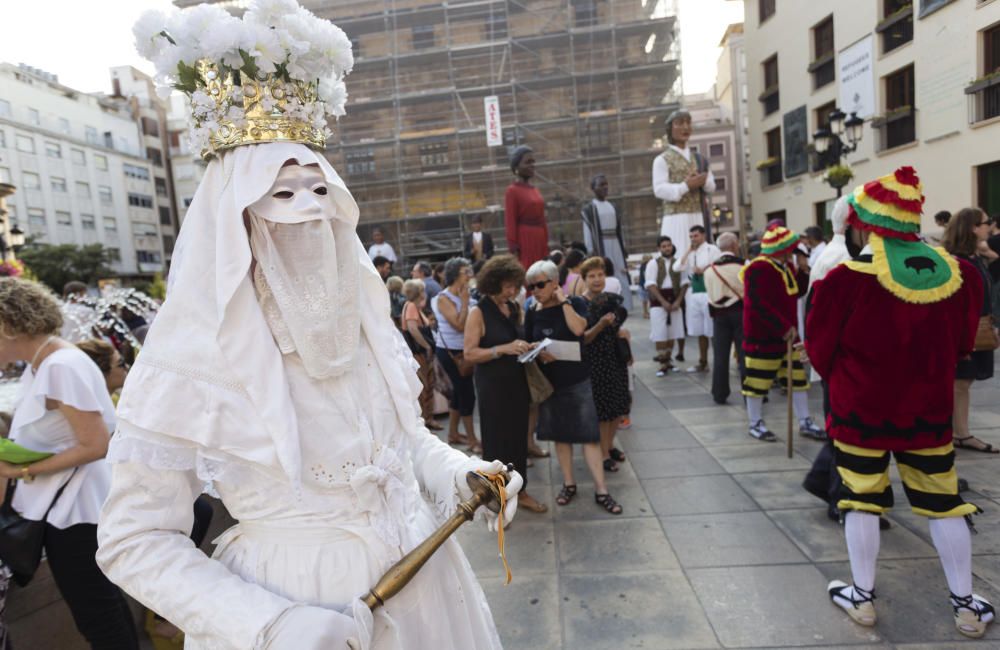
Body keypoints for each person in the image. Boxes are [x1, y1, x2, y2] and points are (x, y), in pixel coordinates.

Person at [98, 7, 521, 646]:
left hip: (427, 594)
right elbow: (134, 539)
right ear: (235, 217)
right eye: (283, 194)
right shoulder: (189, 354)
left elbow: (399, 448)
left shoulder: (362, 325)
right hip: (294, 606)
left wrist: (455, 475)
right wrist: (268, 625)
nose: (308, 212)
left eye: (319, 191)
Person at [807, 166, 994, 638]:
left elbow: (820, 348)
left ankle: (863, 598)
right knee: (943, 503)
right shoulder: (962, 275)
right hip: (927, 412)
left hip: (859, 410)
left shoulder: (842, 279)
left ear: (866, 223)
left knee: (860, 500)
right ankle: (965, 605)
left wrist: (849, 380)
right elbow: (961, 345)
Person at [0, 277, 139, 649]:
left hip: (77, 513)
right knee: (102, 607)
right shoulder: (44, 363)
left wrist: (21, 470)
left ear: (7, 325)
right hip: (73, 508)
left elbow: (96, 444)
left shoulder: (61, 365)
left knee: (97, 614)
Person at [524, 260, 622, 515]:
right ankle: (569, 483)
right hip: (550, 383)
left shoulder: (576, 303)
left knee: (589, 436)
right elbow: (527, 342)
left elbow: (580, 329)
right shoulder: (533, 310)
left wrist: (563, 301)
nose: (535, 290)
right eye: (532, 285)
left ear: (555, 283)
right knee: (561, 436)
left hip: (577, 380)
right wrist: (537, 351)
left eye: (541, 284)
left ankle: (601, 489)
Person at [465, 255, 547, 513]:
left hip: (516, 383)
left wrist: (528, 347)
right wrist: (503, 349)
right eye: (508, 286)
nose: (513, 291)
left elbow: (515, 341)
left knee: (517, 440)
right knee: (496, 443)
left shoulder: (513, 308)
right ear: (493, 282)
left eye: (515, 285)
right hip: (492, 387)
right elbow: (470, 353)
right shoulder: (478, 312)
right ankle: (496, 498)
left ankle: (519, 491)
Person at [740, 225, 825, 442]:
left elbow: (797, 292)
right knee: (758, 382)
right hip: (764, 337)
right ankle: (755, 422)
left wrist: (804, 271)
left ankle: (805, 420)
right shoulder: (757, 268)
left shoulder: (787, 267)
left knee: (797, 380)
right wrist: (782, 327)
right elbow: (757, 304)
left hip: (788, 336)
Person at [943, 207, 997, 454]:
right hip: (964, 330)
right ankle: (960, 433)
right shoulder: (957, 261)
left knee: (965, 381)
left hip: (979, 326)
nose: (990, 226)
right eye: (986, 223)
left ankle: (960, 431)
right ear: (973, 228)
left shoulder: (976, 257)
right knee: (960, 382)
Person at [580, 257, 630, 474]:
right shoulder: (579, 304)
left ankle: (609, 445)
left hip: (615, 358)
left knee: (617, 408)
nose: (597, 279)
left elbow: (619, 328)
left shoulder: (610, 299)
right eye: (592, 276)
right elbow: (583, 338)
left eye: (600, 275)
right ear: (584, 279)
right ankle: (602, 453)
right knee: (602, 411)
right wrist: (600, 325)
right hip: (595, 362)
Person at [432, 257, 481, 453]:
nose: (469, 275)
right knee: (467, 394)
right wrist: (465, 301)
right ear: (454, 275)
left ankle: (453, 433)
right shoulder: (443, 298)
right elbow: (460, 325)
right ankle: (472, 440)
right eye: (465, 272)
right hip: (451, 352)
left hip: (465, 349)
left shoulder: (467, 294)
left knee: (459, 393)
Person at [652, 109, 715, 260]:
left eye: (688, 123)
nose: (685, 127)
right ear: (670, 129)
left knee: (701, 257)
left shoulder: (700, 159)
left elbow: (711, 187)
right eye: (680, 123)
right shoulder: (662, 159)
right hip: (675, 218)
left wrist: (702, 181)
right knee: (678, 256)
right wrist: (685, 186)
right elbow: (659, 189)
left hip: (699, 216)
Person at [703, 232, 744, 404]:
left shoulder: (710, 269)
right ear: (734, 246)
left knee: (720, 356)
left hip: (719, 316)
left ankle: (719, 393)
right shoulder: (743, 266)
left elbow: (710, 294)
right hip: (741, 314)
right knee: (744, 354)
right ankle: (751, 392)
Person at [673, 225, 721, 373]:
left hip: (709, 293)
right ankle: (702, 362)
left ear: (703, 235)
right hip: (694, 294)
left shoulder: (712, 249)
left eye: (696, 236)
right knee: (700, 330)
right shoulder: (690, 252)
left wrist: (704, 269)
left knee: (712, 330)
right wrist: (688, 251)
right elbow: (677, 268)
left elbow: (719, 265)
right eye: (691, 237)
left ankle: (720, 362)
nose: (693, 239)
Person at [582, 174, 632, 310]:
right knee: (605, 274)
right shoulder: (589, 209)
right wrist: (591, 251)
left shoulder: (613, 206)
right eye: (601, 185)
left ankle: (624, 305)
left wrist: (623, 247)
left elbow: (619, 229)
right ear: (593, 188)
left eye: (606, 184)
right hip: (601, 246)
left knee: (620, 273)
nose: (605, 187)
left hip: (616, 245)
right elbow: (588, 232)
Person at [645, 236, 689, 376]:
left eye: (669, 245)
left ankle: (669, 361)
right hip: (658, 301)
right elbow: (650, 284)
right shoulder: (653, 263)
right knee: (660, 333)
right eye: (664, 246)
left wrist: (678, 301)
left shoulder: (679, 263)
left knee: (673, 333)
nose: (667, 248)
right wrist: (662, 301)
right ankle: (662, 363)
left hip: (675, 300)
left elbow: (684, 283)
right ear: (659, 248)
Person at [402, 279, 441, 432]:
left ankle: (428, 417)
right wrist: (426, 345)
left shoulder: (413, 306)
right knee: (424, 385)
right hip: (419, 353)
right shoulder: (411, 306)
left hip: (421, 352)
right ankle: (426, 419)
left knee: (426, 385)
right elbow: (412, 328)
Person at [504, 146, 549, 269]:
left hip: (539, 239)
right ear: (516, 167)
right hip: (525, 241)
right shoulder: (512, 191)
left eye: (533, 161)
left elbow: (542, 219)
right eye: (528, 162)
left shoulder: (535, 190)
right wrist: (514, 249)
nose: (532, 165)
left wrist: (545, 242)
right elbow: (510, 221)